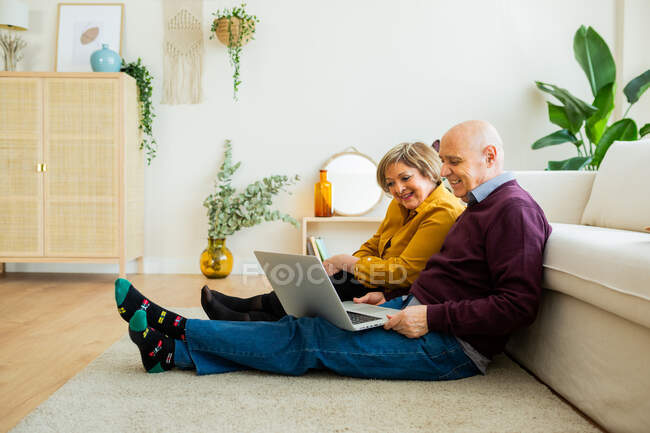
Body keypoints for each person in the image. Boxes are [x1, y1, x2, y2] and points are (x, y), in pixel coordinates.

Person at [115, 120, 551, 380]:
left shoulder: (513, 211)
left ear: (490, 155)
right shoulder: (480, 206)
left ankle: (175, 327)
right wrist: (397, 298)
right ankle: (170, 353)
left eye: (453, 162)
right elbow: (453, 276)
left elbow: (518, 305)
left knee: (308, 339)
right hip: (411, 309)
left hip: (450, 348)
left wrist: (430, 315)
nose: (445, 172)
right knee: (313, 322)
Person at [199, 141, 465, 321]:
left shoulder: (441, 211)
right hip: (379, 275)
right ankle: (246, 307)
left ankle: (247, 317)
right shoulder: (401, 204)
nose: (397, 189)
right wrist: (349, 266)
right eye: (390, 184)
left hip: (399, 286)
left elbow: (403, 272)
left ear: (430, 172)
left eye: (405, 178)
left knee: (319, 291)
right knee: (312, 283)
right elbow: (374, 244)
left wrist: (347, 262)